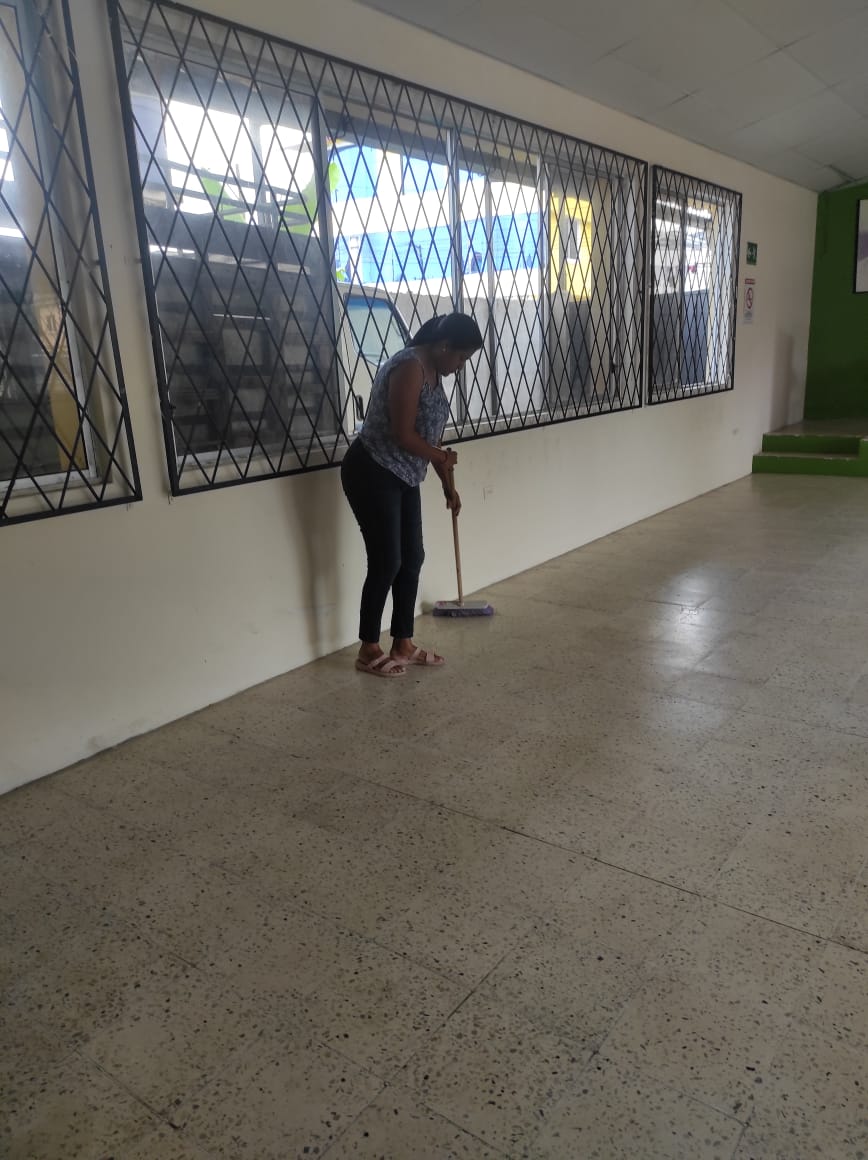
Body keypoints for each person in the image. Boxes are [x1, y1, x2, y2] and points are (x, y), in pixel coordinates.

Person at [341, 311, 484, 677]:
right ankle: (368, 648)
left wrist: (449, 487)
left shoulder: (434, 372)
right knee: (387, 560)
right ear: (443, 346)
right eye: (461, 358)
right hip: (372, 469)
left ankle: (402, 643)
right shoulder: (410, 367)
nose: (461, 366)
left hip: (403, 474)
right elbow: (404, 435)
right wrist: (441, 457)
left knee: (413, 557)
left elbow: (429, 442)